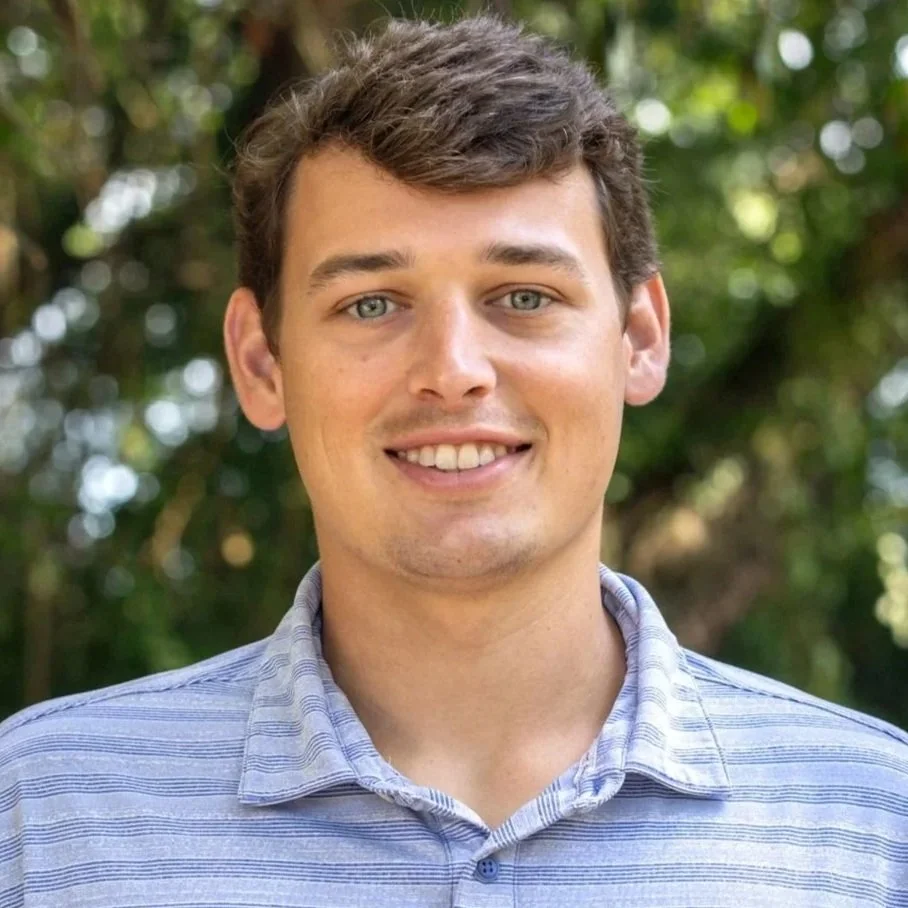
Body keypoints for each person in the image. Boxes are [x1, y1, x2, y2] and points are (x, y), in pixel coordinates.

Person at [2, 13, 906, 908]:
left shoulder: (875, 832)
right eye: (370, 304)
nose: (453, 372)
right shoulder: (38, 824)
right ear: (261, 362)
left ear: (638, 337)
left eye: (523, 295)